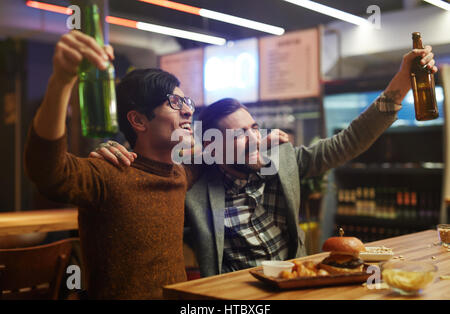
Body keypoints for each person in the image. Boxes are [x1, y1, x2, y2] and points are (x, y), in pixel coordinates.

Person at [91, 45, 438, 277]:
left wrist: (402, 82)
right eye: (240, 135)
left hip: (298, 283)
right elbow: (152, 166)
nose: (256, 139)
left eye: (255, 128)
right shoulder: (193, 185)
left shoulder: (283, 162)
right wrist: (118, 146)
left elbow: (350, 140)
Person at [24, 31, 200, 299]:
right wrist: (61, 82)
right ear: (139, 121)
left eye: (186, 101)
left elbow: (220, 151)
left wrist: (262, 140)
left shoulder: (179, 173)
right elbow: (48, 170)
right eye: (174, 102)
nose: (188, 110)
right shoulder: (109, 172)